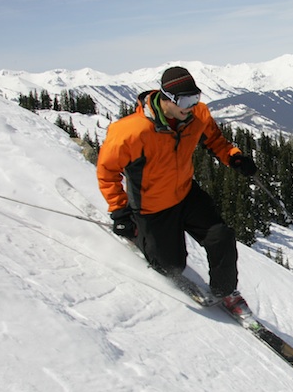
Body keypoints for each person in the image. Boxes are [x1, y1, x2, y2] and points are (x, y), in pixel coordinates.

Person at [96, 66, 257, 313]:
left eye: (195, 98)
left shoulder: (197, 115)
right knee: (171, 266)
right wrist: (119, 211)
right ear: (166, 98)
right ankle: (139, 234)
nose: (191, 106)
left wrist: (234, 157)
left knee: (221, 236)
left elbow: (215, 140)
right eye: (185, 101)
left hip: (185, 192)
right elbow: (107, 171)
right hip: (152, 206)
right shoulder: (130, 132)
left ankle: (225, 292)